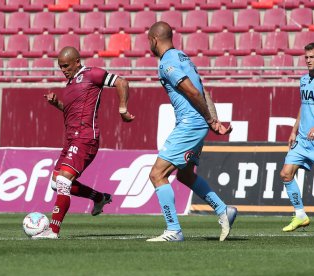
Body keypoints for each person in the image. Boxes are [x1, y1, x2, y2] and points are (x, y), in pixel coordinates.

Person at [146, 21, 237, 242]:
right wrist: (213, 122)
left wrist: (208, 119)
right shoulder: (183, 57)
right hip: (197, 123)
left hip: (190, 124)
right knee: (185, 174)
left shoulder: (167, 63)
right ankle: (223, 209)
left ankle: (173, 230)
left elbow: (193, 92)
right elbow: (202, 91)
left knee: (157, 174)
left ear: (154, 40)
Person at [33, 46, 135, 239]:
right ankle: (99, 198)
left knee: (63, 181)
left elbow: (121, 81)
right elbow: (72, 112)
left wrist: (122, 108)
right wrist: (57, 105)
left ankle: (53, 231)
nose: (63, 70)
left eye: (66, 66)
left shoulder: (91, 74)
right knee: (56, 183)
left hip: (85, 137)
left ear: (77, 62)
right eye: (60, 67)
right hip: (71, 138)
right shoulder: (70, 84)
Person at [280, 43, 314, 232]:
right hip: (303, 139)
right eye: (306, 57)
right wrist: (294, 130)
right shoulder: (303, 80)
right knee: (286, 173)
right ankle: (300, 215)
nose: (308, 61)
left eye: (312, 57)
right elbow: (304, 107)